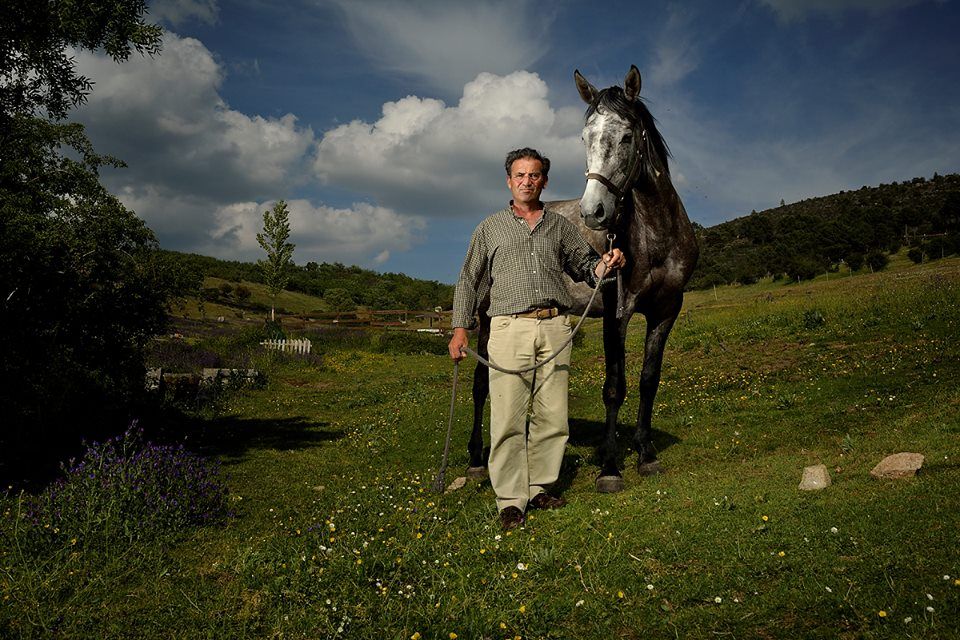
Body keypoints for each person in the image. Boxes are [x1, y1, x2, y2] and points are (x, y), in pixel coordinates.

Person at [448, 147, 625, 530]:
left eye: (534, 175)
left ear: (544, 181)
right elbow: (468, 280)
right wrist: (460, 328)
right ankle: (511, 500)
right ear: (508, 181)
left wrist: (605, 264)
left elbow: (585, 267)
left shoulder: (560, 226)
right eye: (520, 175)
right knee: (508, 417)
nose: (527, 181)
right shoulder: (489, 228)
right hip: (508, 329)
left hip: (555, 327)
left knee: (552, 416)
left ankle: (539, 487)